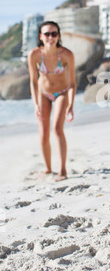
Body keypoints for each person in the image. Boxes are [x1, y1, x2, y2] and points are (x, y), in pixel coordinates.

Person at [28, 21, 76, 181]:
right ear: (41, 36)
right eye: (47, 34)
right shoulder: (34, 55)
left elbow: (72, 83)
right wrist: (35, 104)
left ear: (58, 36)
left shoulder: (67, 55)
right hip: (43, 94)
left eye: (54, 33)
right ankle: (48, 169)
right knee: (43, 134)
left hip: (62, 92)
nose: (50, 37)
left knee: (57, 128)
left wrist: (70, 104)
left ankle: (62, 171)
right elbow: (33, 81)